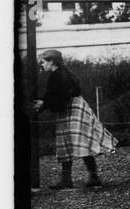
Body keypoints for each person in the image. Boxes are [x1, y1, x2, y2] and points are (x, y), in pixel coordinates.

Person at [33, 49, 116, 190]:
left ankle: (89, 177)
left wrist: (44, 104)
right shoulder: (62, 73)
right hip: (71, 109)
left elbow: (62, 96)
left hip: (72, 109)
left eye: (43, 62)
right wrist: (45, 103)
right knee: (71, 141)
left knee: (80, 141)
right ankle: (74, 178)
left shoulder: (59, 75)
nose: (41, 65)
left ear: (51, 61)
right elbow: (57, 95)